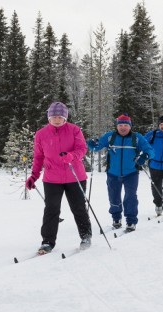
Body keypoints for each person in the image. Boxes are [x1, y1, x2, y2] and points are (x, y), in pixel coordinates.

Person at [25, 102, 93, 255]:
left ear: (65, 118)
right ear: (49, 117)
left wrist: (72, 156)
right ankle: (47, 242)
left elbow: (82, 148)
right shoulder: (41, 134)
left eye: (60, 117)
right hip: (52, 178)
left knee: (78, 208)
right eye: (53, 116)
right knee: (51, 210)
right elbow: (38, 157)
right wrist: (34, 176)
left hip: (74, 175)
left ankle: (85, 236)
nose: (56, 119)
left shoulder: (74, 130)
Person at [87, 114, 154, 232]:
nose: (123, 128)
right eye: (120, 125)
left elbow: (150, 150)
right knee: (114, 197)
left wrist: (145, 156)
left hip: (131, 173)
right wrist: (92, 144)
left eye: (126, 125)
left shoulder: (136, 138)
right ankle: (116, 218)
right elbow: (97, 147)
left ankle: (131, 221)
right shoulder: (110, 137)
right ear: (117, 126)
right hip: (113, 174)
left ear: (130, 126)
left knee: (130, 197)